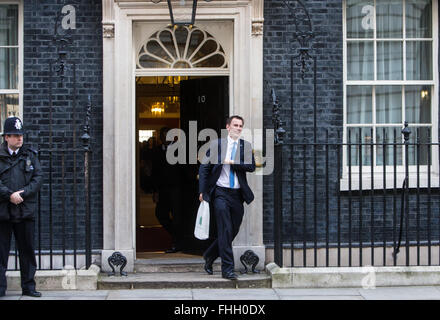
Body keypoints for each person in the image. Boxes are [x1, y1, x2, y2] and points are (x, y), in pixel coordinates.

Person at [198, 115, 256, 280]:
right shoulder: (216, 145)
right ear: (228, 127)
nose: (238, 128)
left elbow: (251, 166)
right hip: (220, 193)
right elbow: (204, 168)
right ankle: (227, 269)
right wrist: (202, 191)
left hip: (237, 194)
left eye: (240, 126)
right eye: (235, 125)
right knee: (225, 229)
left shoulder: (245, 146)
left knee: (234, 229)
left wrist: (232, 162)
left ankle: (210, 255)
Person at [0, 117, 43, 297]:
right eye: (16, 135)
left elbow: (38, 178)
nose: (20, 139)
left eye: (21, 135)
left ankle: (28, 286)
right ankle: (1, 288)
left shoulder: (30, 155)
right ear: (6, 137)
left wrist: (22, 194)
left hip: (25, 210)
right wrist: (9, 194)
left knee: (27, 251)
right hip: (3, 211)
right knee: (1, 252)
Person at [152, 127, 184, 253]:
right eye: (163, 136)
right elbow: (155, 171)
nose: (165, 138)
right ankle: (178, 236)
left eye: (168, 136)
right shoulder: (157, 150)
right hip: (163, 189)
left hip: (177, 188)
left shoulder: (180, 149)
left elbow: (184, 169)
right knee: (160, 214)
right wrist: (155, 191)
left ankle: (178, 242)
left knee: (177, 217)